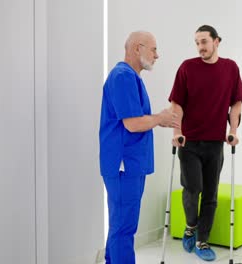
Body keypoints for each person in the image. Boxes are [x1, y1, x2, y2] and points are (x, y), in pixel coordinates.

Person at [168, 25, 242, 261]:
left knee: (210, 194)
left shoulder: (230, 68)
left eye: (204, 41)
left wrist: (233, 131)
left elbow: (237, 104)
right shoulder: (187, 67)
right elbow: (177, 103)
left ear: (216, 41)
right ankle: (191, 226)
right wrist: (177, 131)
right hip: (189, 141)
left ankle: (202, 241)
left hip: (215, 143)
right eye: (197, 43)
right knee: (193, 189)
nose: (200, 47)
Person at [99, 31, 179, 264]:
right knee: (124, 227)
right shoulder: (122, 77)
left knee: (120, 224)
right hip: (124, 164)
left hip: (130, 165)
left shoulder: (130, 77)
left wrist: (158, 119)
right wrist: (160, 118)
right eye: (153, 49)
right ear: (137, 48)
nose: (157, 55)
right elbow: (133, 124)